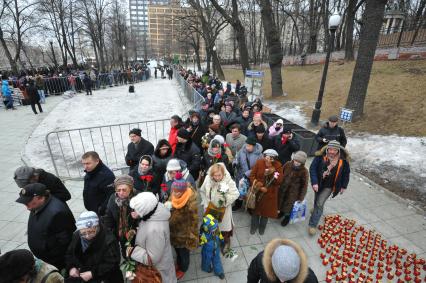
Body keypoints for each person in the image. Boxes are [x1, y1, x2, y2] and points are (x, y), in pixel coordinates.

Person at [16, 183, 76, 270]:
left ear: (40, 197)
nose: (27, 207)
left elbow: (65, 242)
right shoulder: (36, 206)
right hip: (44, 258)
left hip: (54, 261)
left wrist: (51, 257)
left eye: (28, 202)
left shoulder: (57, 212)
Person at [128, 192, 177, 282]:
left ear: (145, 211)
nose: (134, 211)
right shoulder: (156, 210)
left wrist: (133, 251)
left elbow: (152, 259)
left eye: (136, 210)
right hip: (164, 261)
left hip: (158, 270)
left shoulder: (155, 230)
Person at [65, 211, 123, 283]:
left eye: (91, 232)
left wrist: (93, 273)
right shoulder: (76, 236)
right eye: (83, 233)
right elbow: (69, 254)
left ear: (97, 227)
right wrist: (71, 268)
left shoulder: (109, 240)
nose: (87, 236)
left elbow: (113, 263)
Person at [308, 141, 350, 235]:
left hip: (329, 186)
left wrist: (344, 186)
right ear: (327, 148)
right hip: (318, 183)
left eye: (334, 150)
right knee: (317, 198)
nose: (332, 152)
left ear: (338, 150)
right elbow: (313, 168)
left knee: (320, 203)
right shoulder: (320, 156)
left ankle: (312, 225)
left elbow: (346, 174)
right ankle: (315, 210)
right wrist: (314, 182)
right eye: (330, 149)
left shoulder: (343, 160)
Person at [200, 163, 239, 259]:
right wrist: (205, 203)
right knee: (212, 228)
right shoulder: (208, 179)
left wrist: (225, 201)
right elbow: (202, 191)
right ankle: (213, 243)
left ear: (223, 174)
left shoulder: (228, 181)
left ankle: (226, 246)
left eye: (219, 175)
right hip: (210, 209)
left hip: (224, 212)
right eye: (215, 175)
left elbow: (235, 194)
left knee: (225, 231)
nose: (217, 177)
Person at [167, 174, 199, 280]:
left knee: (184, 254)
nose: (175, 194)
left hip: (184, 235)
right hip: (174, 233)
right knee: (177, 251)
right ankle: (179, 264)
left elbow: (194, 223)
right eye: (174, 191)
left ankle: (183, 268)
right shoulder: (174, 194)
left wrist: (192, 239)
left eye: (178, 192)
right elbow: (170, 201)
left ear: (184, 191)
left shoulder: (190, 203)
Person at [247, 238, 319, 283]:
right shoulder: (261, 260)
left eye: (289, 278)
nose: (282, 281)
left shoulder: (310, 279)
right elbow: (252, 275)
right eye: (280, 276)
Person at [249, 149, 284, 235]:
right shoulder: (259, 162)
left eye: (271, 158)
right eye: (267, 157)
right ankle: (254, 226)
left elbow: (279, 181)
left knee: (265, 214)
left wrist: (272, 172)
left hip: (270, 194)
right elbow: (252, 176)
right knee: (255, 212)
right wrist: (258, 186)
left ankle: (262, 228)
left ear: (274, 158)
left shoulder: (278, 165)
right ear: (264, 156)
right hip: (258, 192)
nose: (268, 160)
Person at [103, 175, 139, 257]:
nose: (121, 193)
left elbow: (145, 216)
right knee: (125, 252)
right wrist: (110, 232)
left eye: (124, 190)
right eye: (118, 190)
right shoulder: (113, 199)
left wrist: (138, 216)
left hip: (135, 234)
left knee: (135, 252)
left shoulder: (138, 199)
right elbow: (109, 216)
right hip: (120, 234)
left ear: (130, 188)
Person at [277, 151, 309, 227]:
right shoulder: (288, 164)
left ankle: (287, 218)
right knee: (281, 202)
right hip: (283, 188)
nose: (297, 163)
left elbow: (304, 185)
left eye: (299, 162)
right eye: (296, 160)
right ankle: (281, 212)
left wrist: (301, 197)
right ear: (293, 159)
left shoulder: (304, 171)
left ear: (303, 163)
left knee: (289, 207)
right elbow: (281, 172)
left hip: (293, 193)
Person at [232, 137, 263, 211]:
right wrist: (235, 163)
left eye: (249, 146)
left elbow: (259, 168)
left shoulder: (259, 155)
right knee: (239, 190)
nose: (247, 147)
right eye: (246, 145)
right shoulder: (241, 151)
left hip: (251, 177)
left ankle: (249, 206)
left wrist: (248, 173)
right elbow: (236, 158)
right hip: (240, 176)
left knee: (250, 191)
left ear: (254, 146)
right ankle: (238, 204)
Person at [82, 151, 115, 216]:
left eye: (88, 163)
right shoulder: (90, 171)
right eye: (83, 164)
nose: (85, 167)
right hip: (92, 209)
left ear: (97, 161)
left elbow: (110, 196)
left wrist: (101, 210)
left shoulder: (107, 176)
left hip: (101, 213)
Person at [199, 214, 225, 280]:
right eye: (214, 228)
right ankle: (206, 268)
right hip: (207, 251)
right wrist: (201, 239)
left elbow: (220, 235)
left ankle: (219, 272)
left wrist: (222, 240)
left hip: (216, 249)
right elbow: (200, 243)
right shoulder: (204, 235)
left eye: (216, 227)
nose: (216, 229)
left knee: (217, 260)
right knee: (206, 261)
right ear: (206, 228)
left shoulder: (216, 230)